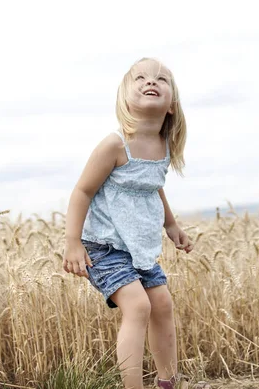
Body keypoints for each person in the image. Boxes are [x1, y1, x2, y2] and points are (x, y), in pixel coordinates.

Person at [63, 57, 210, 389]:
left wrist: (171, 226)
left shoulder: (164, 146)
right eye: (140, 78)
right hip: (104, 246)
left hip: (139, 248)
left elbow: (153, 186)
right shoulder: (115, 144)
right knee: (138, 306)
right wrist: (72, 242)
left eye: (161, 79)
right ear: (124, 98)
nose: (151, 82)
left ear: (172, 105)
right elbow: (82, 192)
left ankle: (168, 382)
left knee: (162, 304)